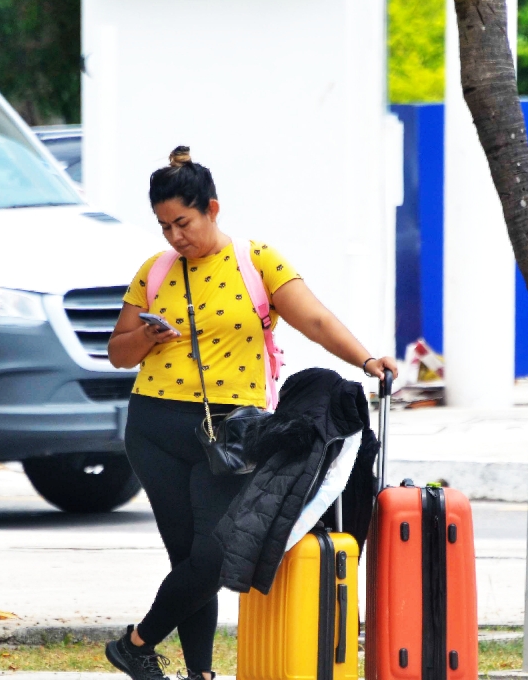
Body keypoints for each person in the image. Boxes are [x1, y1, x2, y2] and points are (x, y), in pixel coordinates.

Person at [105, 146, 397, 680]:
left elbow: (314, 319)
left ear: (212, 208)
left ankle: (135, 642)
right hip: (155, 426)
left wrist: (366, 358)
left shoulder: (257, 261)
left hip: (231, 431)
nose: (175, 237)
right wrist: (146, 334)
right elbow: (117, 351)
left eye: (183, 223)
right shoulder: (155, 270)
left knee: (213, 556)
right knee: (186, 558)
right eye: (164, 226)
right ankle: (199, 674)